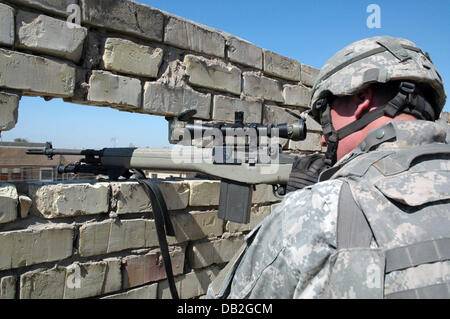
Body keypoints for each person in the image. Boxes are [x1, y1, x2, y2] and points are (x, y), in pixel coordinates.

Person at [207, 36, 449, 299]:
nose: (324, 137)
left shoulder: (314, 213)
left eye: (325, 112)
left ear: (362, 98)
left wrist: (315, 199)